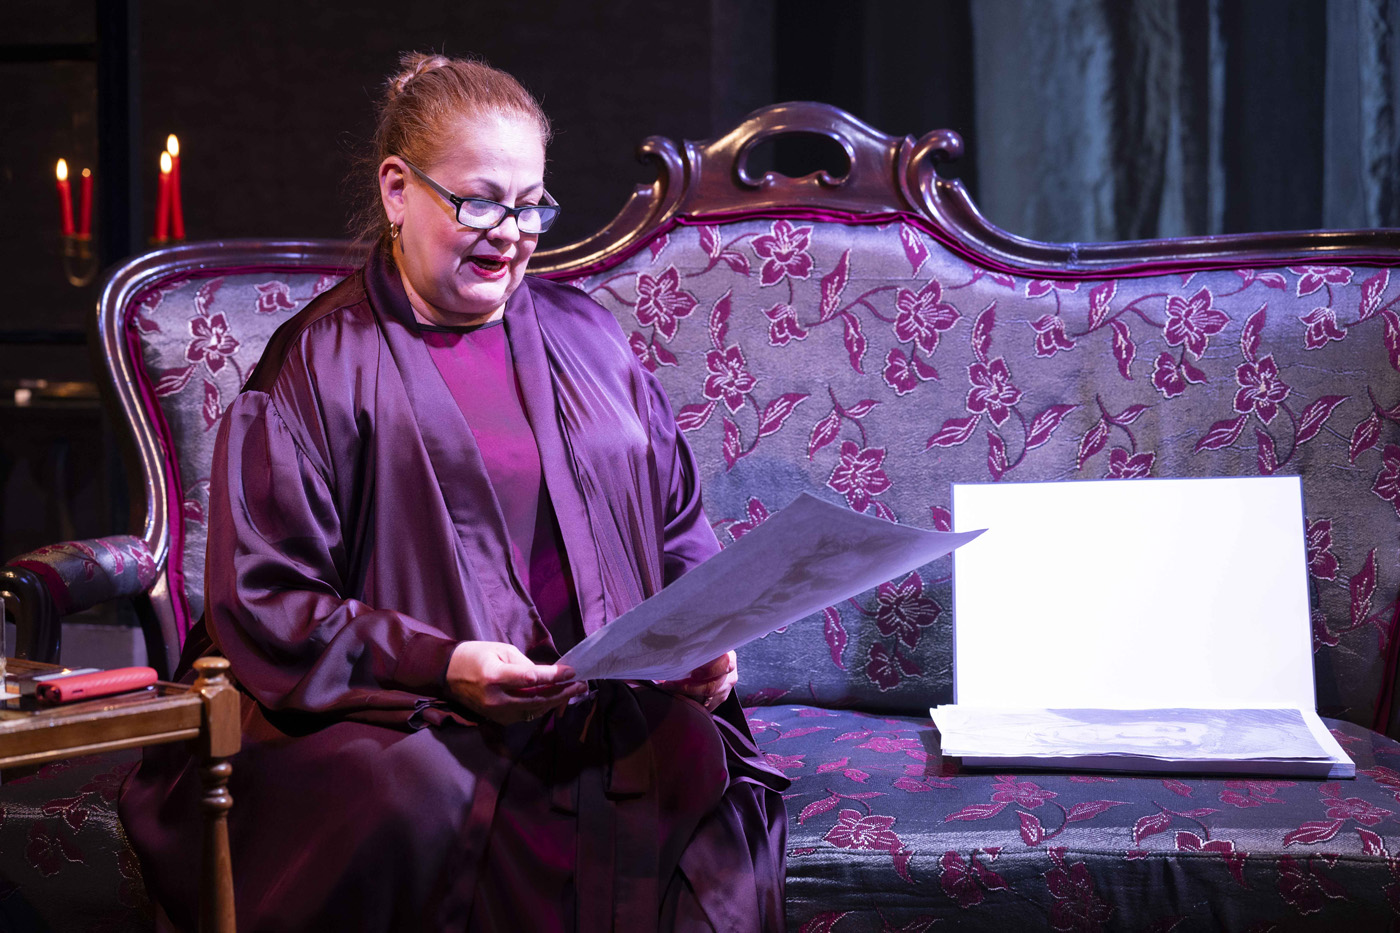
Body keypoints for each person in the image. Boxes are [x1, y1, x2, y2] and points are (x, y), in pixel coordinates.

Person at [120, 53, 789, 932]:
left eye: (530, 206)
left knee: (690, 761)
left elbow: (674, 523)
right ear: (398, 190)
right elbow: (267, 597)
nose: (510, 233)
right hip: (405, 710)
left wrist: (704, 636)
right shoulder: (320, 361)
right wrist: (445, 664)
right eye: (480, 203)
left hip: (595, 702)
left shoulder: (589, 337)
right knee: (417, 792)